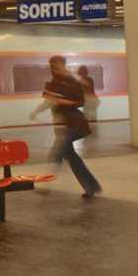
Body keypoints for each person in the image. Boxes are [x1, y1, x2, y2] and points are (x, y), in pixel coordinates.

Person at [44, 55, 102, 198]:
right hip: (61, 123)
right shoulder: (56, 81)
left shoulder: (73, 81)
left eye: (56, 66)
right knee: (72, 158)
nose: (54, 70)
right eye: (52, 67)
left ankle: (46, 184)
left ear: (63, 65)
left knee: (55, 153)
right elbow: (49, 97)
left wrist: (61, 101)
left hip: (72, 124)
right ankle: (92, 187)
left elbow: (79, 102)